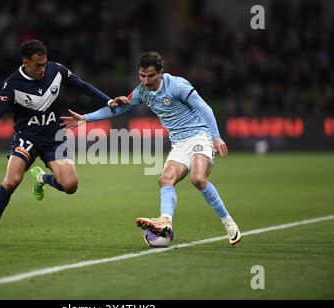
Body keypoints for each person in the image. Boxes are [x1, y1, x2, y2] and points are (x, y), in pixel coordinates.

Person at [61, 51, 241, 245]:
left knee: (197, 179)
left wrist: (217, 138)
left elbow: (205, 108)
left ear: (160, 72)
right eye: (142, 75)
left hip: (200, 136)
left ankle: (228, 222)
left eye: (151, 76)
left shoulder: (177, 85)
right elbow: (118, 108)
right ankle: (166, 222)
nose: (146, 80)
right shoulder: (141, 92)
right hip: (179, 143)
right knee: (165, 179)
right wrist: (85, 118)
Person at [0, 39, 120, 247]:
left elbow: (82, 85)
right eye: (37, 65)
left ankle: (43, 178)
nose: (42, 68)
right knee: (11, 181)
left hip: (55, 138)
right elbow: (0, 106)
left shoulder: (56, 71)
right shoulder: (13, 83)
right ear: (25, 63)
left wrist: (108, 101)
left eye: (44, 63)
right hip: (27, 138)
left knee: (70, 186)